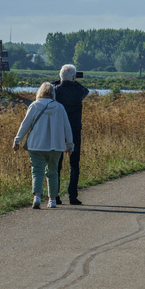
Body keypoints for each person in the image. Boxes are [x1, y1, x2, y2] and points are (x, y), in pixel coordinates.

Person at [12, 82, 74, 209]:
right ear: (53, 93)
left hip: (36, 145)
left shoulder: (34, 106)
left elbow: (25, 124)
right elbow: (67, 127)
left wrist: (17, 140)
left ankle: (37, 197)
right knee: (53, 171)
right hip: (55, 145)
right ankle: (52, 200)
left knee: (37, 171)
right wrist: (70, 144)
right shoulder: (60, 107)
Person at [52, 64, 89, 205]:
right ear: (74, 77)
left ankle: (55, 195)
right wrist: (72, 80)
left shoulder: (56, 91)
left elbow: (51, 86)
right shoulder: (79, 91)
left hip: (59, 130)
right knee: (74, 164)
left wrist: (61, 80)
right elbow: (85, 90)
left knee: (57, 164)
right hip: (74, 130)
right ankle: (72, 196)